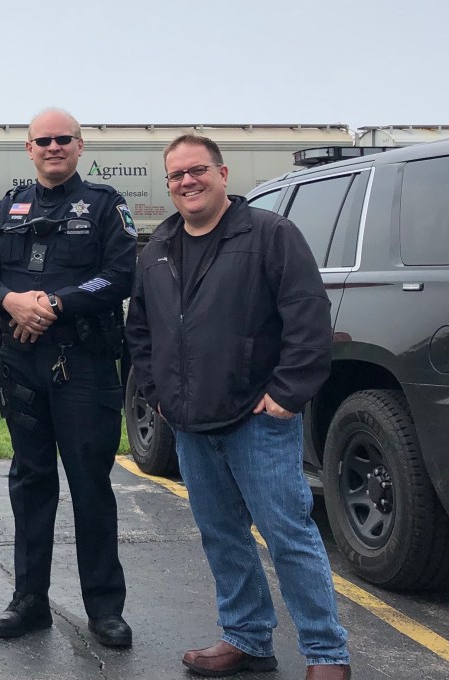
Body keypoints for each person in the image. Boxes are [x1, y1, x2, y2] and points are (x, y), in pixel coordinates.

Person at [125, 134, 350, 680]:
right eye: (176, 175)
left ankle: (327, 654)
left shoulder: (270, 235)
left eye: (197, 170)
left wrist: (287, 393)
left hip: (258, 420)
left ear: (222, 174)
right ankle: (246, 638)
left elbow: (307, 315)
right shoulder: (157, 249)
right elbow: (141, 333)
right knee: (223, 537)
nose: (187, 182)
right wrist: (158, 394)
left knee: (288, 536)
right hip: (191, 423)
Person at [0, 108, 135, 648]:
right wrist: (10, 301)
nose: (53, 147)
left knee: (90, 485)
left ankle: (104, 610)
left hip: (83, 364)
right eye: (43, 140)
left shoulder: (105, 205)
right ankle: (29, 603)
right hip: (20, 364)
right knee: (30, 482)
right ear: (30, 148)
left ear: (80, 146)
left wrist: (56, 305)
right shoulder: (7, 207)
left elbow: (120, 275)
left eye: (64, 139)